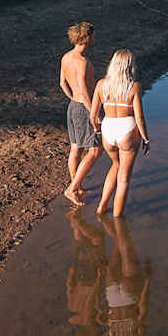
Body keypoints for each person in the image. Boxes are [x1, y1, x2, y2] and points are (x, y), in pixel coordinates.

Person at [91, 48, 150, 216]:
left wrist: (97, 130)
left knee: (115, 164)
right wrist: (146, 139)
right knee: (124, 178)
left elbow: (93, 115)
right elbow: (139, 118)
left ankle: (102, 206)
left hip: (108, 128)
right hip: (127, 130)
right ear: (130, 66)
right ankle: (117, 220)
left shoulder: (101, 84)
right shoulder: (134, 87)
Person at [97, 213, 151, 336]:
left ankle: (118, 218)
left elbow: (143, 307)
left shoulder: (137, 333)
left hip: (129, 295)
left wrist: (147, 280)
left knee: (125, 244)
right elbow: (100, 318)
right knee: (117, 244)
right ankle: (108, 218)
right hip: (113, 298)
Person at [60, 22, 100, 206]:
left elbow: (62, 83)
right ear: (87, 38)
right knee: (95, 150)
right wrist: (94, 113)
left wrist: (72, 98)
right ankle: (73, 188)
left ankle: (78, 185)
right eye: (93, 36)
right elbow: (84, 91)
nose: (94, 39)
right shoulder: (82, 62)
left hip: (73, 106)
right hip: (83, 108)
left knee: (76, 149)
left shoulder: (66, 57)